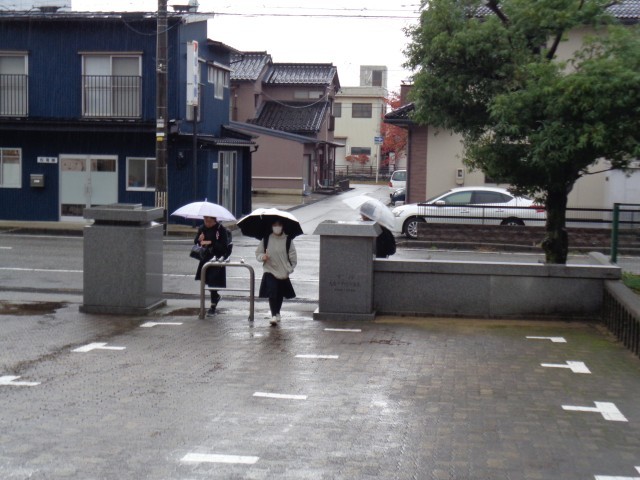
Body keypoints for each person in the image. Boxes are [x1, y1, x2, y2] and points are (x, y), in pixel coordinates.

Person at [255, 220, 297, 326]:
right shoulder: (266, 239)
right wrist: (263, 257)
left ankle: (277, 312)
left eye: (279, 225)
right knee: (272, 291)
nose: (277, 227)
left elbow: (293, 258)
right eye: (274, 225)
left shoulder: (288, 240)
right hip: (269, 269)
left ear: (283, 226)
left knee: (279, 293)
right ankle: (273, 315)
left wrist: (289, 269)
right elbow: (258, 253)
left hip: (283, 271)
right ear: (271, 226)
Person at [194, 216, 232, 316]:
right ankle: (214, 298)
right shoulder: (202, 228)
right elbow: (196, 242)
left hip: (217, 258)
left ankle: (213, 306)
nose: (207, 223)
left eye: (210, 221)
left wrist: (211, 243)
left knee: (213, 282)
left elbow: (223, 246)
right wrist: (199, 240)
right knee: (206, 280)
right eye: (205, 221)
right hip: (205, 258)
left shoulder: (220, 229)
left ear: (215, 220)